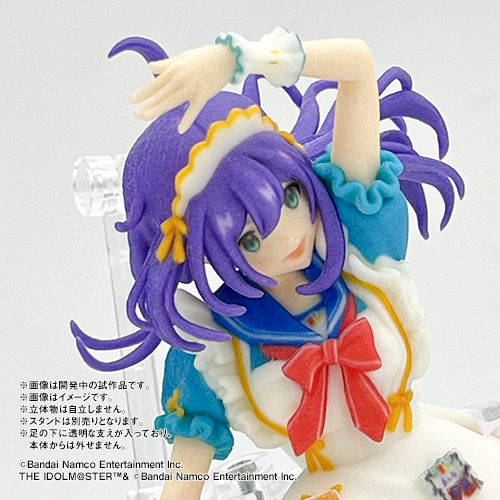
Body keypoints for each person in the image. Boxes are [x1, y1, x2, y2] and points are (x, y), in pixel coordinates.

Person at [72, 29, 500, 500]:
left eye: (291, 197)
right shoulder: (221, 347)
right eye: (250, 238)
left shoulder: (359, 257)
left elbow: (357, 66)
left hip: (434, 460)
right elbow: (184, 478)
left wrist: (239, 57)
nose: (290, 236)